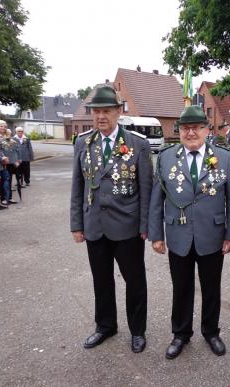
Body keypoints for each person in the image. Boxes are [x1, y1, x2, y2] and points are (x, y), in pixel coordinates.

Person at [149, 105, 230, 360]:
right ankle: (180, 334)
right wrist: (157, 235)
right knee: (181, 287)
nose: (191, 133)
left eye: (197, 127)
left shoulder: (224, 157)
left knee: (212, 288)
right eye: (186, 128)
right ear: (179, 131)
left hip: (212, 235)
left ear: (207, 130)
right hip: (178, 235)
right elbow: (157, 198)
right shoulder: (166, 157)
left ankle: (211, 332)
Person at [70, 86, 153, 353]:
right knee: (101, 280)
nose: (101, 116)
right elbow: (77, 187)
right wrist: (77, 224)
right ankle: (105, 326)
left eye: (107, 111)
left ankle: (137, 331)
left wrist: (144, 225)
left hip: (127, 227)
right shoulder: (83, 142)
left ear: (119, 112)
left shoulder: (137, 144)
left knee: (135, 281)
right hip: (95, 225)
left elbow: (146, 190)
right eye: (96, 112)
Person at [0, 122, 20, 205]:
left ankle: (9, 197)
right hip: (1, 162)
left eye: (5, 126)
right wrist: (3, 158)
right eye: (1, 126)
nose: (3, 128)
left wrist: (16, 160)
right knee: (2, 181)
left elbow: (14, 149)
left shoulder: (9, 138)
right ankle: (3, 198)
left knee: (8, 181)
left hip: (11, 162)